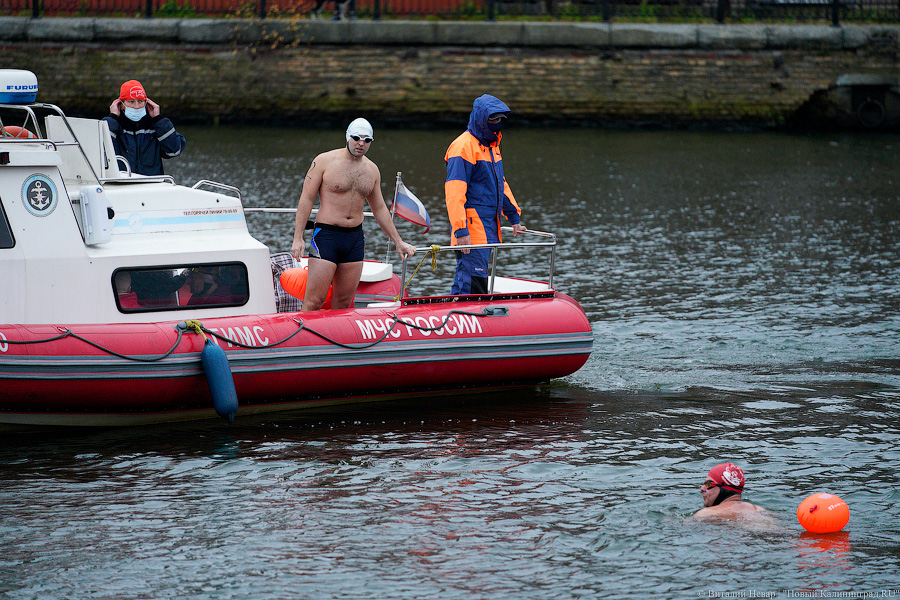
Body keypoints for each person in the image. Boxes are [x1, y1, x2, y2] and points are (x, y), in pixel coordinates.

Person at [290, 117, 416, 311]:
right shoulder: (324, 161)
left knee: (343, 303)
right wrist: (298, 237)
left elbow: (380, 208)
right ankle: (304, 339)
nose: (361, 143)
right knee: (314, 301)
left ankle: (337, 339)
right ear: (347, 137)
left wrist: (398, 241)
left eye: (367, 140)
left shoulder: (372, 169)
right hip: (327, 235)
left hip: (354, 238)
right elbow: (306, 199)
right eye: (357, 138)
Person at [444, 94, 526, 295]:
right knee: (472, 280)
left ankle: (457, 315)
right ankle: (466, 316)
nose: (497, 124)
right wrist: (461, 231)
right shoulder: (463, 146)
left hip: (488, 224)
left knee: (471, 277)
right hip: (472, 227)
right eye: (493, 120)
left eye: (500, 120)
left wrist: (513, 217)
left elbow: (500, 185)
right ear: (481, 119)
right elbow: (454, 193)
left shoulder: (492, 147)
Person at [103, 80, 185, 176]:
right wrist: (112, 118)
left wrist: (159, 119)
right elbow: (99, 153)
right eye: (131, 102)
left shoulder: (155, 126)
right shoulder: (113, 126)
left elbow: (174, 150)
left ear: (147, 103)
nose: (136, 106)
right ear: (121, 105)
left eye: (140, 101)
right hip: (121, 184)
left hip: (150, 186)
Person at [695, 462, 771, 521]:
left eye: (708, 484)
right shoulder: (760, 511)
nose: (702, 488)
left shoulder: (706, 514)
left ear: (724, 487)